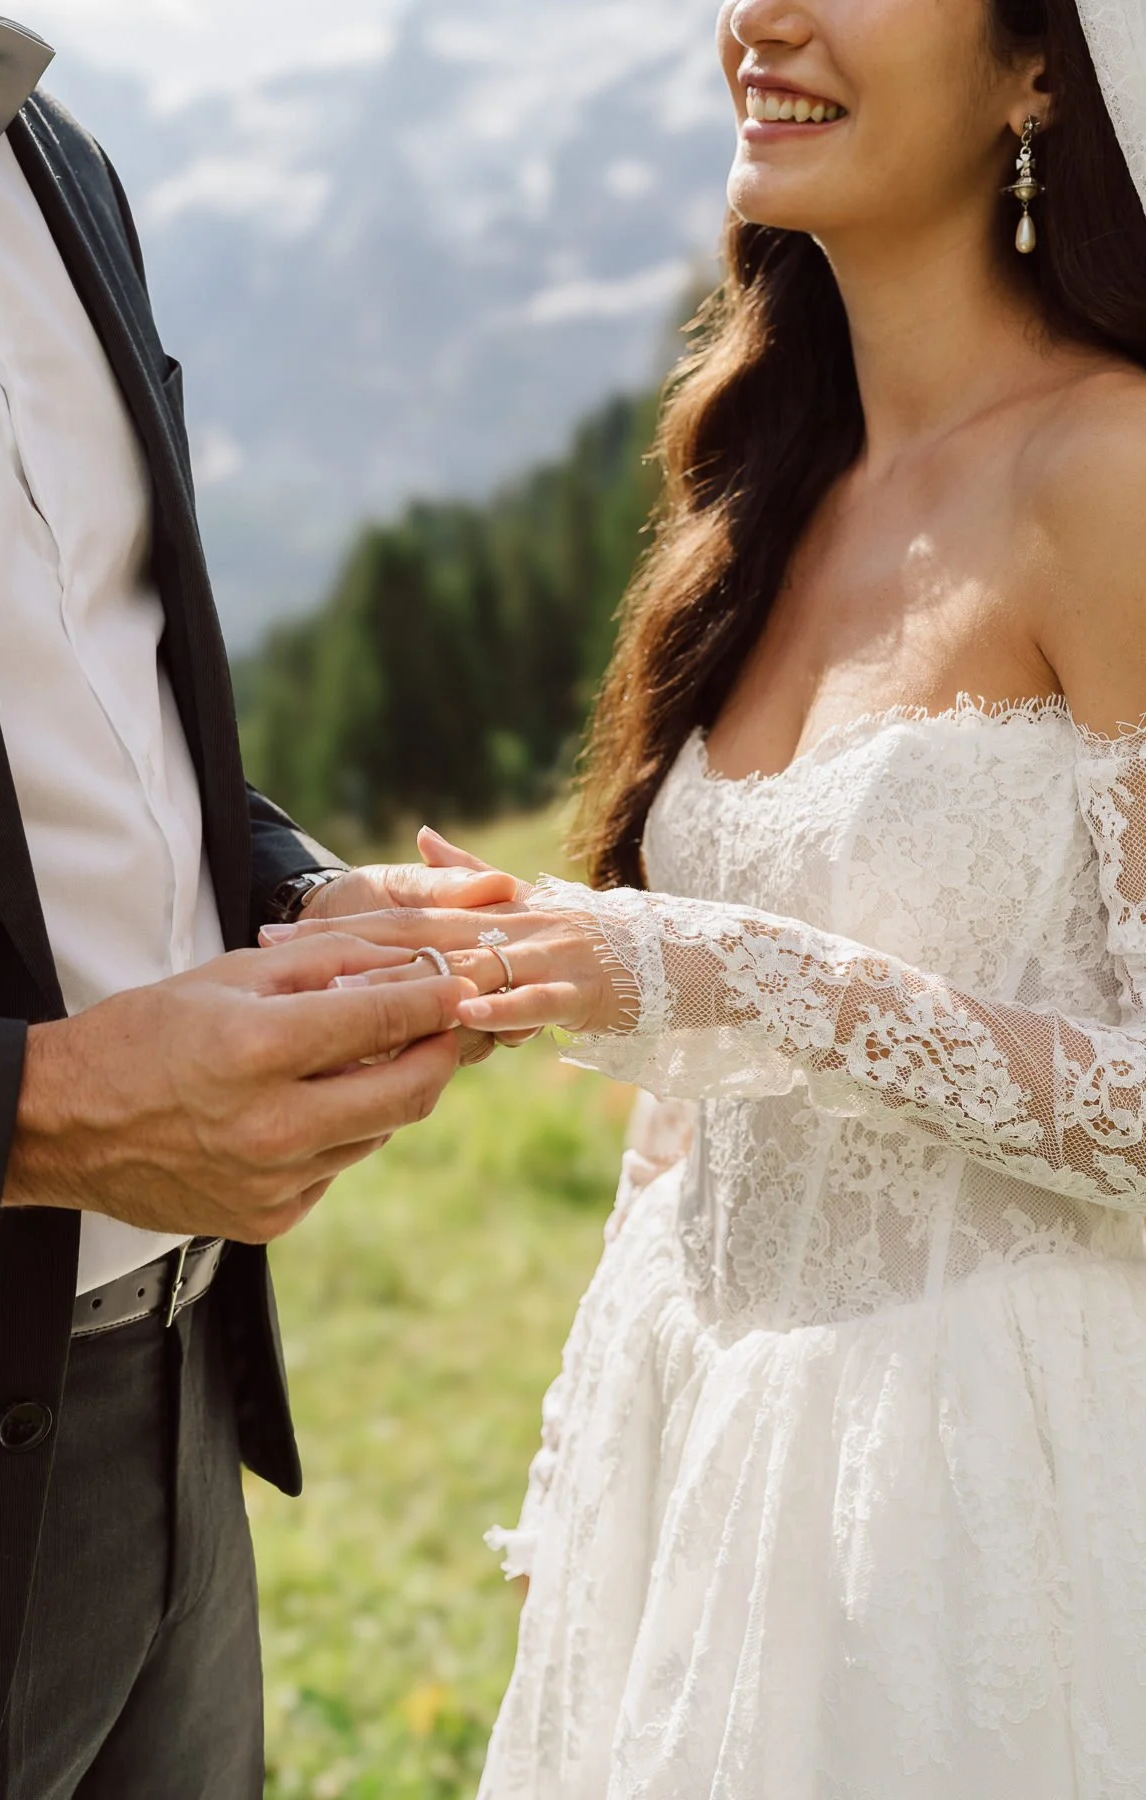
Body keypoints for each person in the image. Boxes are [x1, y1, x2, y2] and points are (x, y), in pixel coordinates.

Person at [284, 0, 1146, 1787]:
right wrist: (596, 1482)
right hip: (709, 1476)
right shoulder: (764, 490)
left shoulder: (1113, 476)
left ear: (1042, 68)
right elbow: (690, 1112)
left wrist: (708, 972)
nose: (763, 12)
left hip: (991, 1501)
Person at [0, 15, 519, 1799]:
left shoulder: (56, 165)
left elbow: (100, 718)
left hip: (175, 1413)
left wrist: (300, 899)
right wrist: (34, 1117)